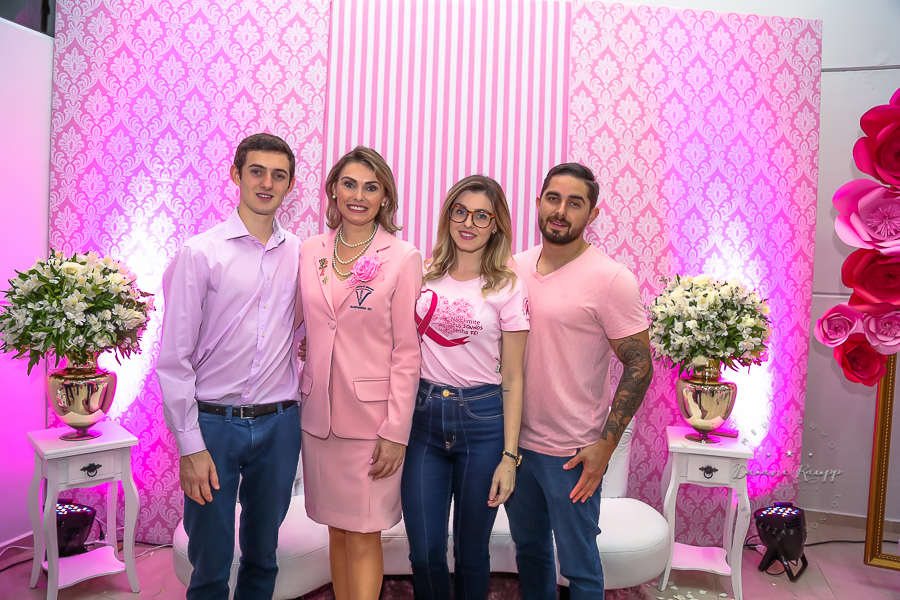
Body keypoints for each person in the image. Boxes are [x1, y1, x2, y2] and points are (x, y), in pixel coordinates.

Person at [157, 133, 302, 600]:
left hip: (280, 424)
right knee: (211, 562)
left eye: (278, 175)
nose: (267, 183)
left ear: (290, 185)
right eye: (256, 171)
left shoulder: (302, 254)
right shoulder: (200, 253)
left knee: (263, 556)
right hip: (214, 425)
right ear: (236, 174)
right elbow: (174, 360)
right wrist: (189, 445)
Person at [505, 163, 654, 599]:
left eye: (575, 203)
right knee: (530, 552)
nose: (561, 211)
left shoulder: (611, 279)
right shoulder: (513, 267)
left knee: (579, 566)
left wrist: (604, 447)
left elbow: (640, 366)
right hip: (515, 445)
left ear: (592, 214)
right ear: (538, 203)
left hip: (571, 453)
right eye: (553, 199)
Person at [296, 146, 422, 600]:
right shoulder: (310, 250)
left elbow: (408, 352)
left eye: (371, 188)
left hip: (373, 425)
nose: (358, 196)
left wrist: (396, 431)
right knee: (336, 530)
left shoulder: (403, 257)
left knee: (365, 535)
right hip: (318, 419)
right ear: (333, 189)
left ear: (385, 197)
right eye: (349, 184)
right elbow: (304, 324)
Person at [401, 175, 529, 600]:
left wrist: (510, 456)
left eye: (481, 215)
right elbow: (392, 339)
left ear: (496, 225)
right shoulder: (423, 274)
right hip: (423, 421)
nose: (468, 223)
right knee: (424, 553)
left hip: (483, 423)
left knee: (472, 553)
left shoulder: (507, 286)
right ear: (448, 216)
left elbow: (514, 377)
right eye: (460, 211)